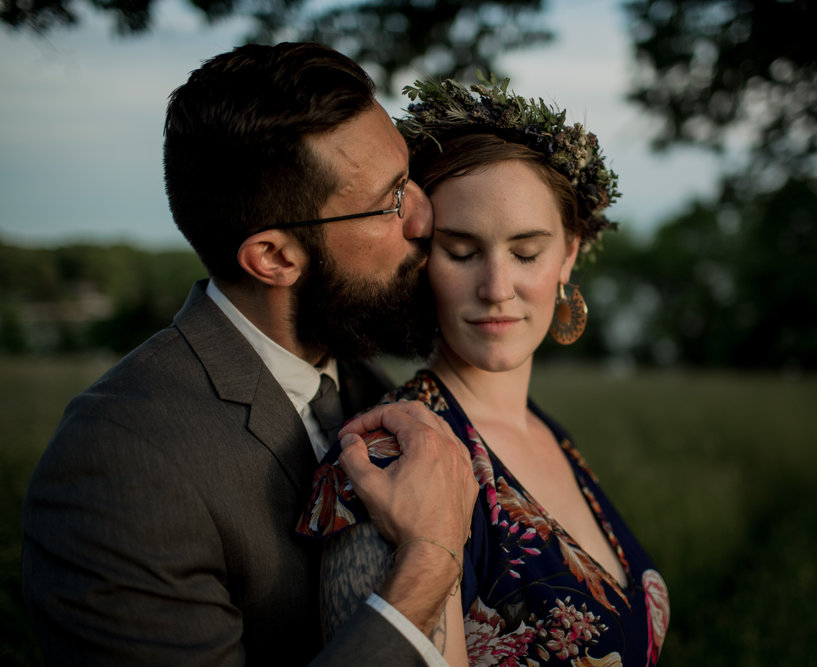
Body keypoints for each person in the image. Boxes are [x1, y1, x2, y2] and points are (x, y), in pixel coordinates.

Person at [21, 43, 479, 666]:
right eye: (393, 198)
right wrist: (429, 561)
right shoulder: (118, 459)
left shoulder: (373, 388)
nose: (426, 217)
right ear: (274, 258)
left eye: (411, 176)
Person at [297, 77, 671, 666]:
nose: (497, 289)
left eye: (526, 253)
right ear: (421, 261)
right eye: (462, 252)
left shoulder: (546, 433)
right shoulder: (389, 460)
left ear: (569, 253)